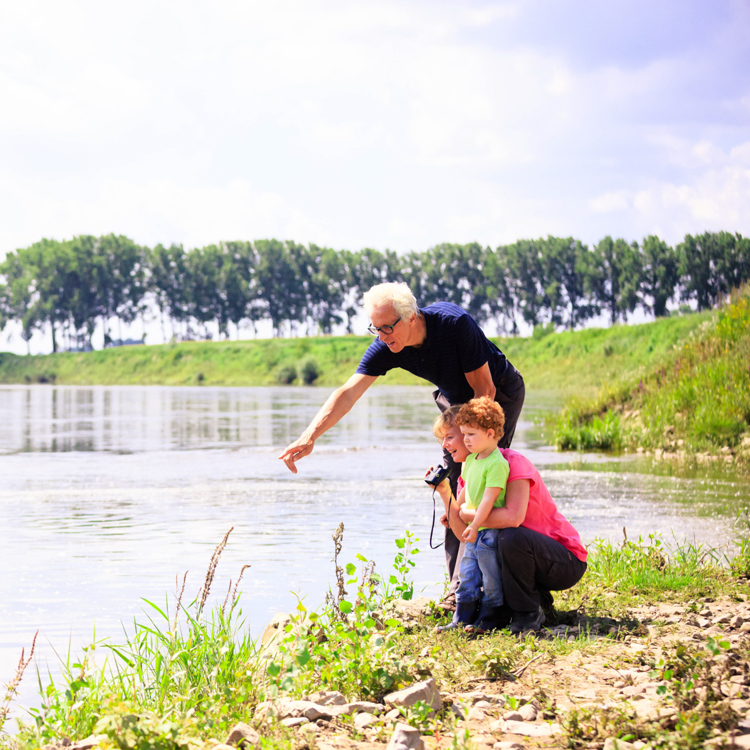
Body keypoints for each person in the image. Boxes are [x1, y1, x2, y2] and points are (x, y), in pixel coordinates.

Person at [279, 281, 525, 604]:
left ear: (410, 317)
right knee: (450, 483)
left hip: (497, 395)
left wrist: (470, 445)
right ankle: (459, 591)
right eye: (375, 329)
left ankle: (495, 587)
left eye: (387, 328)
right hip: (454, 400)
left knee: (481, 478)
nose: (382, 337)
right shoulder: (388, 344)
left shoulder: (454, 325)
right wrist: (310, 435)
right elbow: (349, 392)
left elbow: (485, 389)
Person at [430, 405, 587, 634]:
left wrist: (464, 514)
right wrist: (446, 493)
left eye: (453, 437)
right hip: (525, 554)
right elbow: (462, 534)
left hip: (564, 561)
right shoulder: (470, 471)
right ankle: (528, 605)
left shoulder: (511, 462)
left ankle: (527, 615)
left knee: (508, 537)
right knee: (487, 545)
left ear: (484, 433)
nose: (446, 445)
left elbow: (512, 518)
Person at [437, 397, 509, 634]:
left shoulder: (497, 463)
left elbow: (488, 500)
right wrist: (453, 513)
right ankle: (461, 618)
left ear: (490, 433)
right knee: (467, 574)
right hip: (475, 531)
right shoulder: (470, 461)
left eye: (470, 434)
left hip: (488, 533)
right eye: (464, 434)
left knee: (490, 577)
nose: (466, 440)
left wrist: (475, 525)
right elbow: (466, 497)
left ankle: (489, 621)